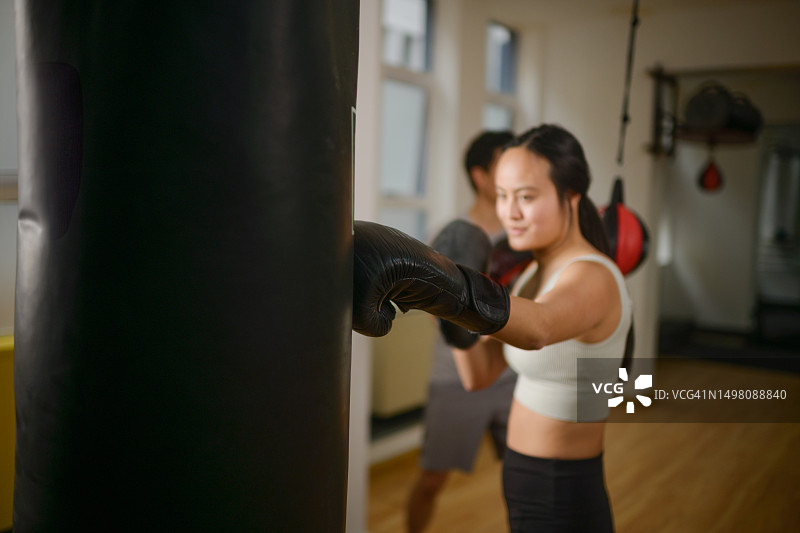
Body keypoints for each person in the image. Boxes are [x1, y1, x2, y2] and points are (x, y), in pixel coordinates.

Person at [352, 124, 632, 532]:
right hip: (526, 476)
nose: (509, 213)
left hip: (562, 486)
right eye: (502, 196)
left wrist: (450, 287)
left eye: (526, 197)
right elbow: (479, 376)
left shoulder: (592, 276)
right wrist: (449, 316)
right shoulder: (535, 271)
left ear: (571, 195)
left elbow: (540, 327)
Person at [406, 130, 532, 533]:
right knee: (432, 480)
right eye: (503, 162)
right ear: (480, 176)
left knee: (527, 479)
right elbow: (432, 312)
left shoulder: (524, 234)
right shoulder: (454, 236)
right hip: (457, 378)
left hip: (515, 376)